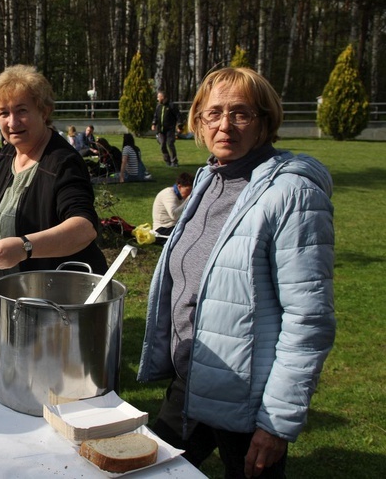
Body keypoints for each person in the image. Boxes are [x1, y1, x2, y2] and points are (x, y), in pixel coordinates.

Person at [138, 67, 335, 478]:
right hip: (191, 382)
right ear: (198, 121)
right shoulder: (210, 179)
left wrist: (276, 423)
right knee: (146, 472)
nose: (225, 124)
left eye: (241, 113)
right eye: (214, 113)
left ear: (265, 122)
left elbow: (308, 320)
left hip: (249, 404)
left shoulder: (292, 195)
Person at [0, 65, 107, 274]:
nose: (12, 122)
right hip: (17, 288)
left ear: (43, 111)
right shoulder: (10, 151)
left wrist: (24, 247)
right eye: (4, 113)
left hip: (59, 289)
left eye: (22, 110)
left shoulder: (62, 162)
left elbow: (84, 228)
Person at [151, 172, 193, 242]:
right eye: (188, 190)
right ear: (179, 187)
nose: (189, 193)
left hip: (174, 226)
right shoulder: (168, 194)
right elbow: (174, 215)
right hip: (163, 229)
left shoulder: (181, 194)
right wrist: (189, 199)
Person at [151, 90, 183, 167]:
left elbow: (178, 116)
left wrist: (179, 126)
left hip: (170, 130)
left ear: (162, 97)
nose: (157, 99)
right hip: (160, 131)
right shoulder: (158, 106)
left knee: (170, 144)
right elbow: (155, 116)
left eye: (158, 97)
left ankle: (174, 161)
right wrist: (153, 124)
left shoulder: (171, 106)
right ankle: (167, 160)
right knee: (162, 145)